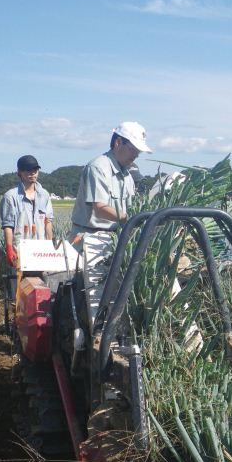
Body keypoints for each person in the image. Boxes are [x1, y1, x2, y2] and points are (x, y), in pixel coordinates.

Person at [70, 121, 152, 317]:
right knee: (97, 303)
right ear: (117, 143)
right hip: (91, 239)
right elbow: (100, 209)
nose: (136, 154)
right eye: (133, 149)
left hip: (116, 239)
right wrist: (131, 218)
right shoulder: (98, 167)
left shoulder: (127, 175)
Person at [0, 154, 55, 269]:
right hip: (20, 252)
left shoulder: (44, 195)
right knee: (21, 285)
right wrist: (9, 249)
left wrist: (50, 245)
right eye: (28, 170)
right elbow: (8, 226)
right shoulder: (10, 196)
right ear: (19, 172)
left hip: (41, 252)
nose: (32, 173)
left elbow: (48, 221)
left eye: (35, 169)